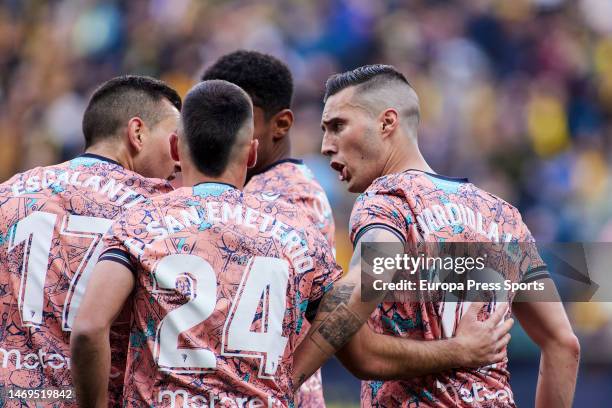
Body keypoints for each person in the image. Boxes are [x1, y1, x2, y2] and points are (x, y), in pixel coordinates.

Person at [292, 65, 580, 408]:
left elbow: (366, 283)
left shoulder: (388, 202)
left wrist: (288, 379)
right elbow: (564, 344)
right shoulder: (503, 216)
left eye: (338, 126)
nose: (326, 146)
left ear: (387, 123)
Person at [70, 80, 342, 408]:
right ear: (252, 153)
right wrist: (292, 375)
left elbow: (88, 327)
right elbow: (345, 314)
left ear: (175, 148)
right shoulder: (298, 228)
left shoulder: (140, 221)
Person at [0, 75, 182, 407]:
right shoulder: (155, 211)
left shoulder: (10, 191)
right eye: (174, 141)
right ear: (137, 132)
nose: (180, 158)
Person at [201, 49, 334, 408]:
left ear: (281, 124)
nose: (225, 134)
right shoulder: (249, 188)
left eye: (241, 120)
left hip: (277, 393)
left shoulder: (291, 197)